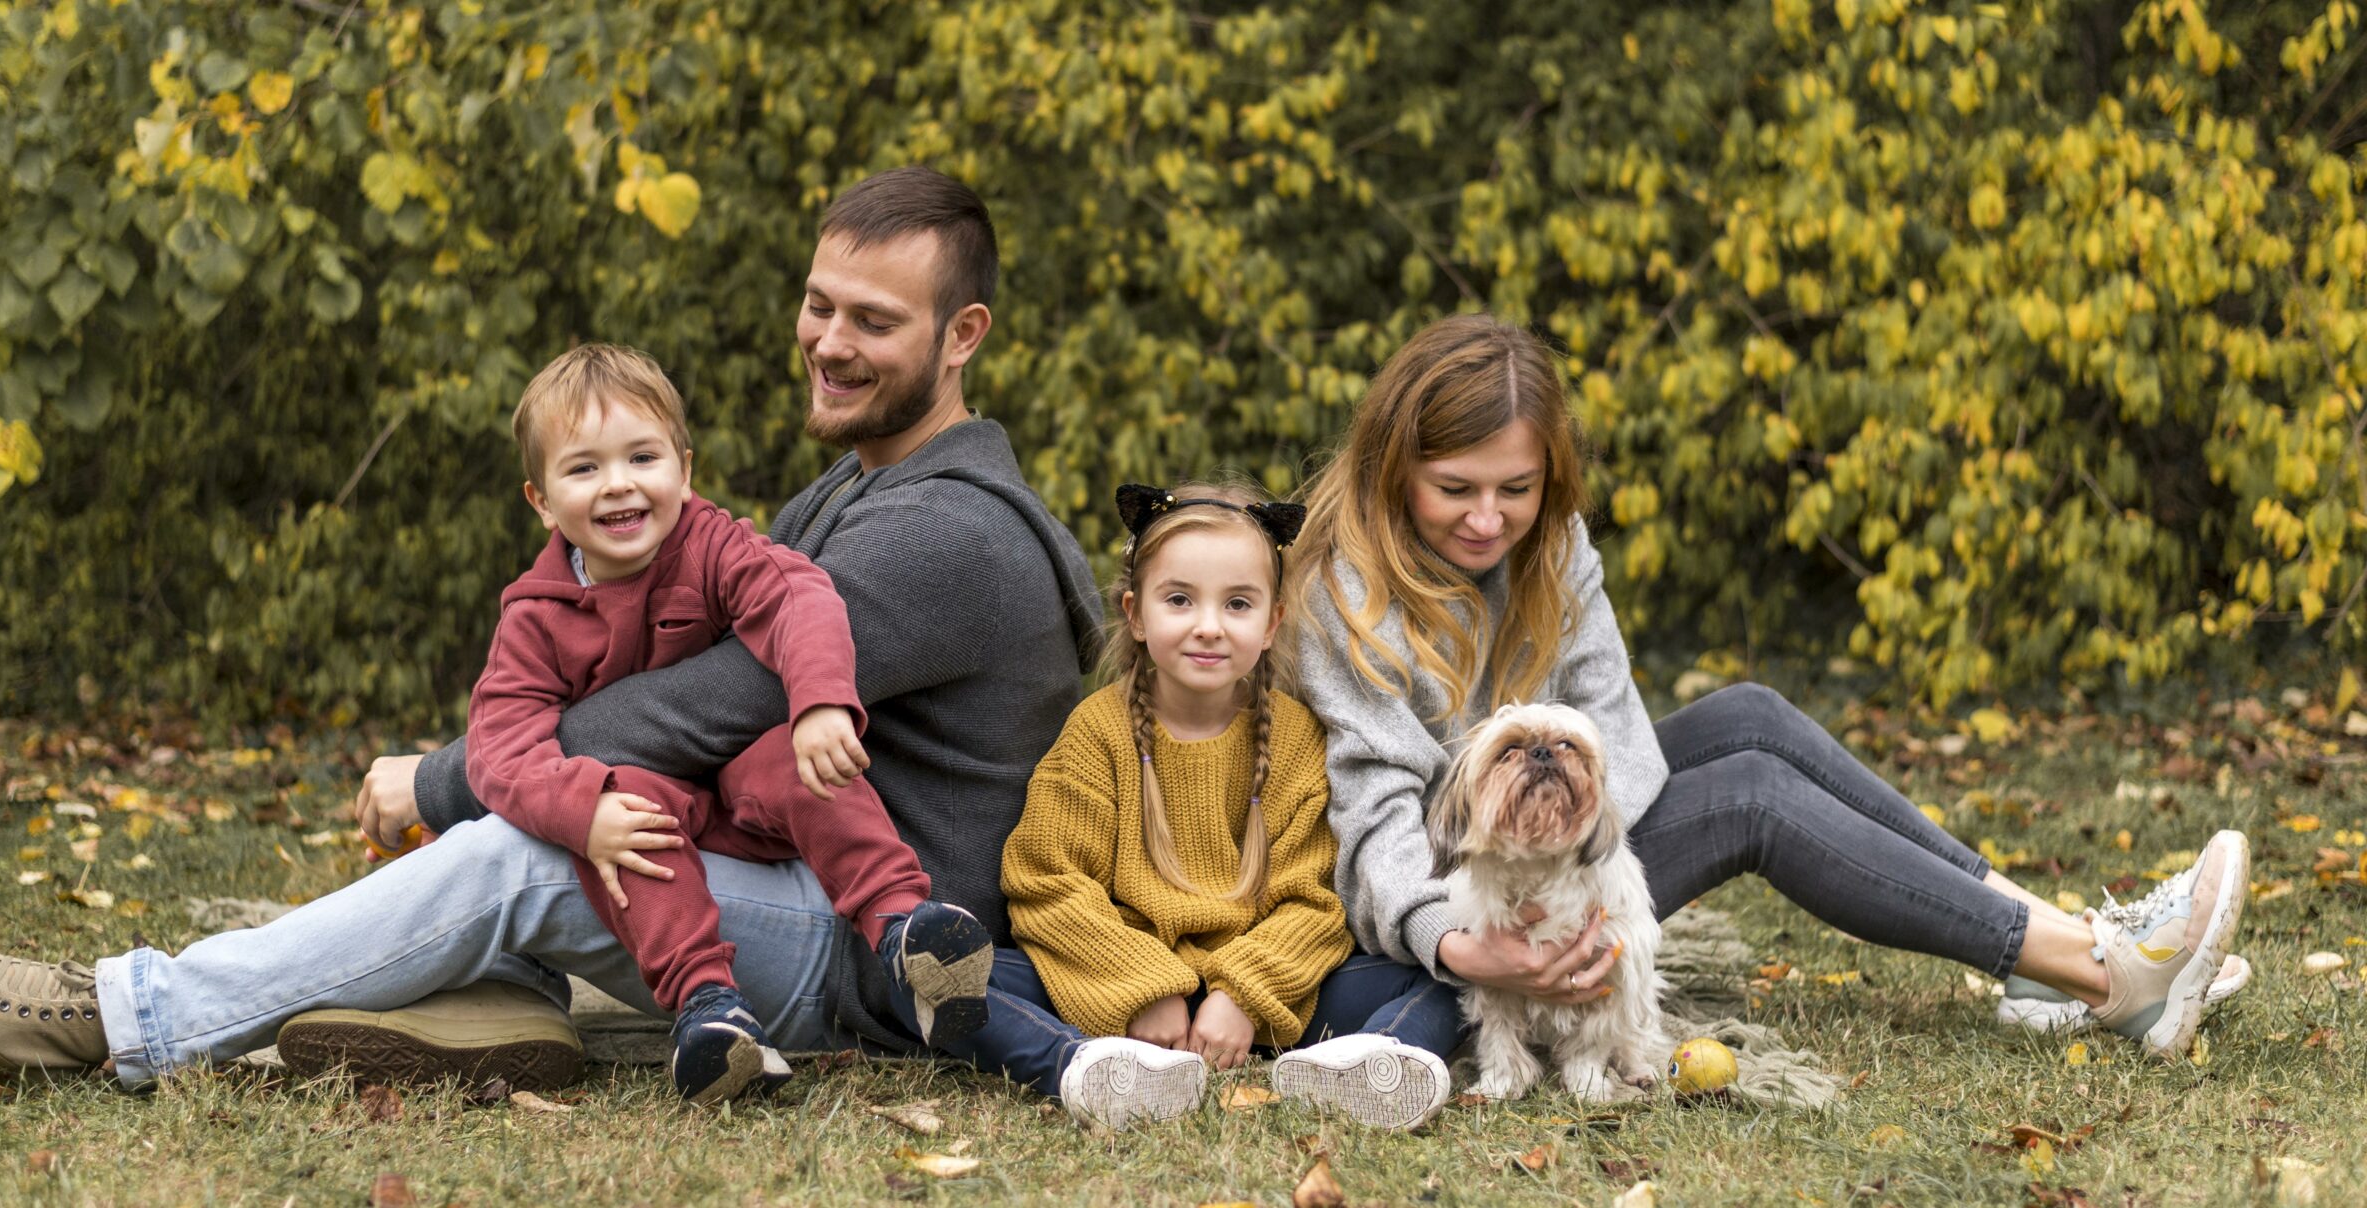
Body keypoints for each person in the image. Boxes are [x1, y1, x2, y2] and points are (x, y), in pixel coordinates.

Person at [0, 167, 1105, 1088]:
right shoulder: (852, 489)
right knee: (553, 831)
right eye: (816, 304)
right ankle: (491, 998)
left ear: (963, 336)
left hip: (874, 946)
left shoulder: (944, 534)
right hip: (776, 872)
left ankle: (120, 1015)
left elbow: (693, 707)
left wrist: (446, 777)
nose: (829, 344)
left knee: (516, 852)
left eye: (874, 322)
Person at [1287, 314, 2250, 1062]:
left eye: (1518, 487)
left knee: (1749, 715)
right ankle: (2102, 976)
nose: (1490, 518)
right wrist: (1467, 945)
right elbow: (1373, 818)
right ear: (1392, 466)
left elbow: (1618, 730)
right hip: (1452, 889)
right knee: (1750, 797)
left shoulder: (1555, 546)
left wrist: (1568, 841)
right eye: (1456, 488)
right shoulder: (1345, 591)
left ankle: (2054, 944)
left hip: (1552, 846)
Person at [446, 341, 991, 1105]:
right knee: (631, 813)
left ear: (684, 467)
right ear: (540, 499)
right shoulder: (535, 617)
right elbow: (500, 747)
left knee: (792, 758)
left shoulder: (711, 544)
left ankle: (903, 924)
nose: (619, 486)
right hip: (654, 809)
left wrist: (821, 698)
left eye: (642, 457)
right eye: (584, 469)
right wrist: (581, 810)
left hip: (747, 792)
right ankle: (710, 1007)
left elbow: (794, 596)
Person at [932, 482, 1462, 1132]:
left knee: (1439, 973)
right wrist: (1146, 990)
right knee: (946, 972)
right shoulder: (1098, 732)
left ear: (1271, 623)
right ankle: (1089, 1066)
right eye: (1179, 599)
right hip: (1121, 990)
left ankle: (1372, 1062)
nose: (1208, 625)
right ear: (1135, 612)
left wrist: (1240, 996)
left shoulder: (1296, 739)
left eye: (1237, 603)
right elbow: (1048, 884)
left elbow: (1314, 902)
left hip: (1263, 992)